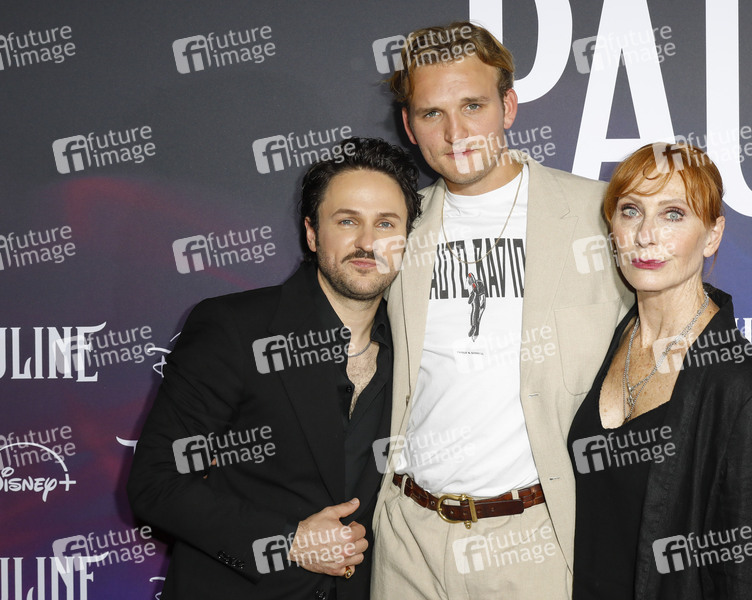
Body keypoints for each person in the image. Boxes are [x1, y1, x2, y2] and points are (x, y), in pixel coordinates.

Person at [371, 21, 631, 599]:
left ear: (507, 107)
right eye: (432, 113)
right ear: (409, 126)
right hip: (407, 540)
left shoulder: (599, 214)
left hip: (536, 541)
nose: (456, 132)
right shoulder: (396, 224)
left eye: (473, 106)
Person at [127, 137, 422, 600]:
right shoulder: (234, 328)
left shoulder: (416, 347)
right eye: (347, 221)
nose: (368, 242)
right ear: (312, 233)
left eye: (385, 223)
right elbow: (156, 482)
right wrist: (288, 541)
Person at [567, 142, 752, 599]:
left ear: (712, 235)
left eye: (673, 214)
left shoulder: (742, 388)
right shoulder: (605, 339)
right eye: (631, 211)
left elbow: (746, 581)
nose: (646, 235)